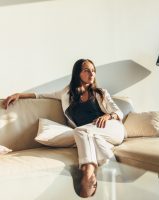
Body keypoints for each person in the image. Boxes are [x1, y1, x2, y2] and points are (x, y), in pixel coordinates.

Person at [2, 59, 125, 197]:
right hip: (93, 137)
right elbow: (40, 95)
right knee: (85, 133)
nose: (92, 74)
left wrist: (108, 117)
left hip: (112, 129)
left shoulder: (101, 93)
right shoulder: (66, 94)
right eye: (87, 70)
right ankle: (114, 171)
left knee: (80, 130)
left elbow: (119, 112)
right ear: (78, 73)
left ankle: (87, 168)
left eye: (93, 70)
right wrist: (19, 95)